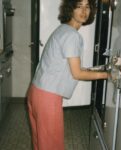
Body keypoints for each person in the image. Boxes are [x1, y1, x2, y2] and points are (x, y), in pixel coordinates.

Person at [27, 0, 112, 150]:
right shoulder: (72, 36)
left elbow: (70, 66)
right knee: (51, 145)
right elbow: (77, 73)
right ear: (70, 9)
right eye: (79, 6)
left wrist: (93, 70)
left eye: (87, 7)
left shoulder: (63, 29)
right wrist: (107, 75)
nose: (84, 11)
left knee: (40, 143)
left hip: (36, 92)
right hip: (48, 98)